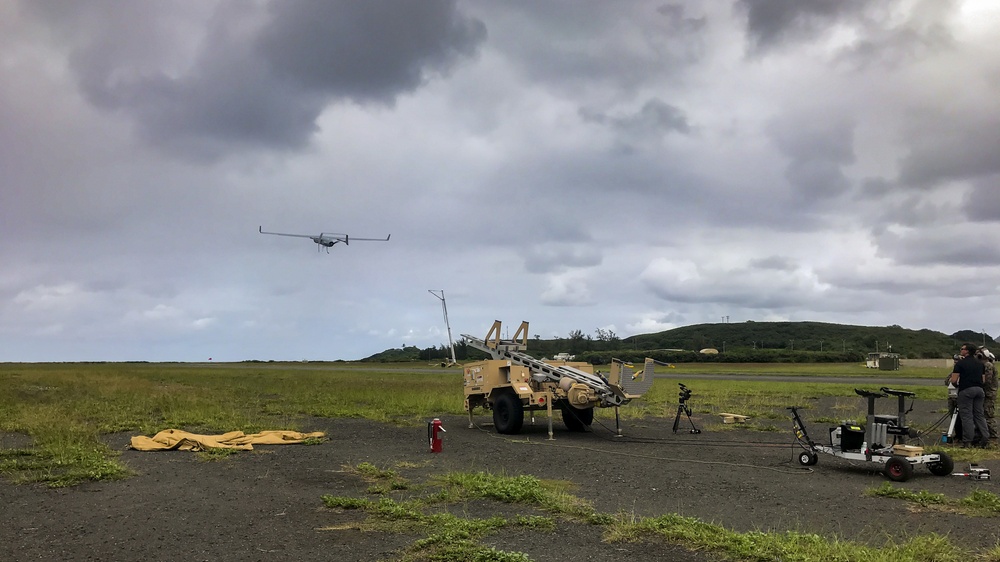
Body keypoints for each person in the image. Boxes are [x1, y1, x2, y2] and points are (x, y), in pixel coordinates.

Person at [950, 343, 989, 447]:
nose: (961, 350)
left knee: (967, 416)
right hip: (980, 390)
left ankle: (967, 441)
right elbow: (983, 380)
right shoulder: (980, 363)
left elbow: (953, 380)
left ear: (967, 351)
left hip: (966, 390)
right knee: (979, 415)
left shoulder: (960, 364)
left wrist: (956, 384)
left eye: (962, 349)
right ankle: (985, 437)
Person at [978, 347, 998, 445]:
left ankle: (993, 436)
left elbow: (987, 381)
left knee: (988, 415)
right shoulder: (983, 365)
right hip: (985, 393)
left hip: (988, 394)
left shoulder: (988, 365)